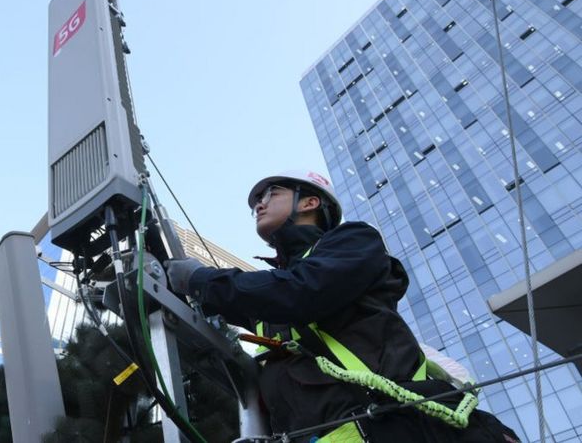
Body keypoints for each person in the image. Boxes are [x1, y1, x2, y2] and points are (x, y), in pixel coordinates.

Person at [165, 170, 520, 442]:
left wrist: (199, 278)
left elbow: (301, 292)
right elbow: (249, 298)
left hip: (405, 426)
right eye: (257, 199)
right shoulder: (272, 296)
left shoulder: (352, 243)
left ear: (310, 202)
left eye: (271, 193)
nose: (258, 203)